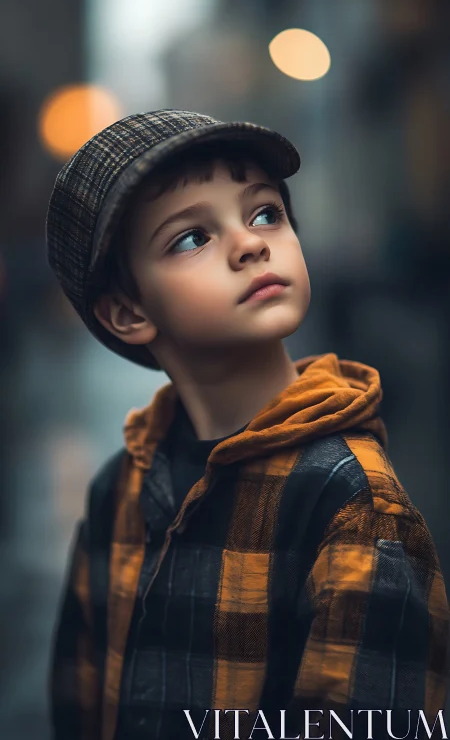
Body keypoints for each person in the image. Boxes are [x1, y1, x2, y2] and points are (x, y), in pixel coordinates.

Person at [45, 110, 449, 740]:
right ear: (127, 312)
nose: (251, 242)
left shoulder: (353, 503)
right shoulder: (120, 489)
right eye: (190, 238)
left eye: (265, 213)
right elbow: (78, 701)